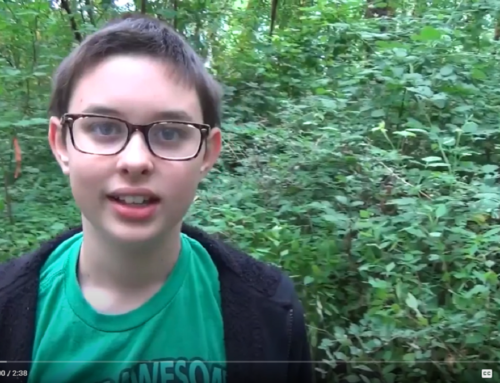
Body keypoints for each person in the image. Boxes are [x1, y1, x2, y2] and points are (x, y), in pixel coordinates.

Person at [0, 13, 313, 383]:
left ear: (207, 154)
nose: (136, 161)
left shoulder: (273, 310)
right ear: (61, 144)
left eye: (169, 133)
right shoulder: (6, 309)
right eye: (103, 128)